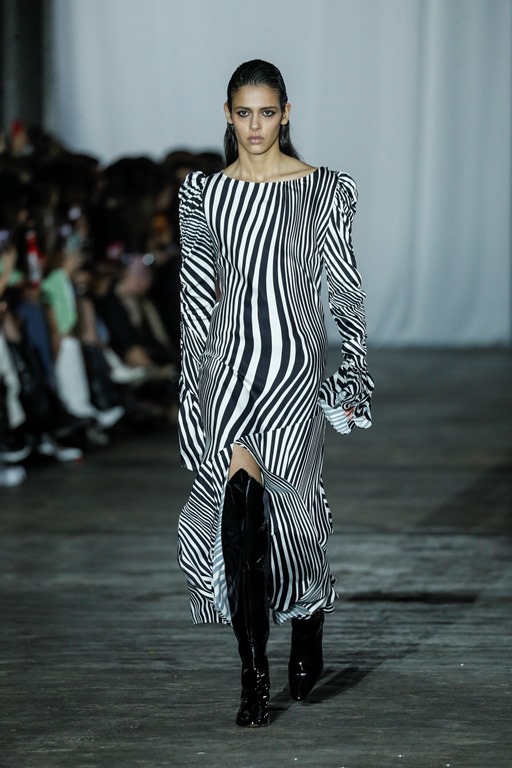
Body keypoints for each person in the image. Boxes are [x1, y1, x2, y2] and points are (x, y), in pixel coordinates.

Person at [178, 59, 374, 728]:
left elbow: (344, 286)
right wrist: (194, 390)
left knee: (293, 518)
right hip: (230, 370)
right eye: (244, 113)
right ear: (228, 115)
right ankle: (253, 674)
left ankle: (310, 610)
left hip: (292, 368)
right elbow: (197, 301)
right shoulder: (203, 192)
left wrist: (351, 373)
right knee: (238, 518)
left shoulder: (322, 188)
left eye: (267, 112)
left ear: (285, 113)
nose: (256, 126)